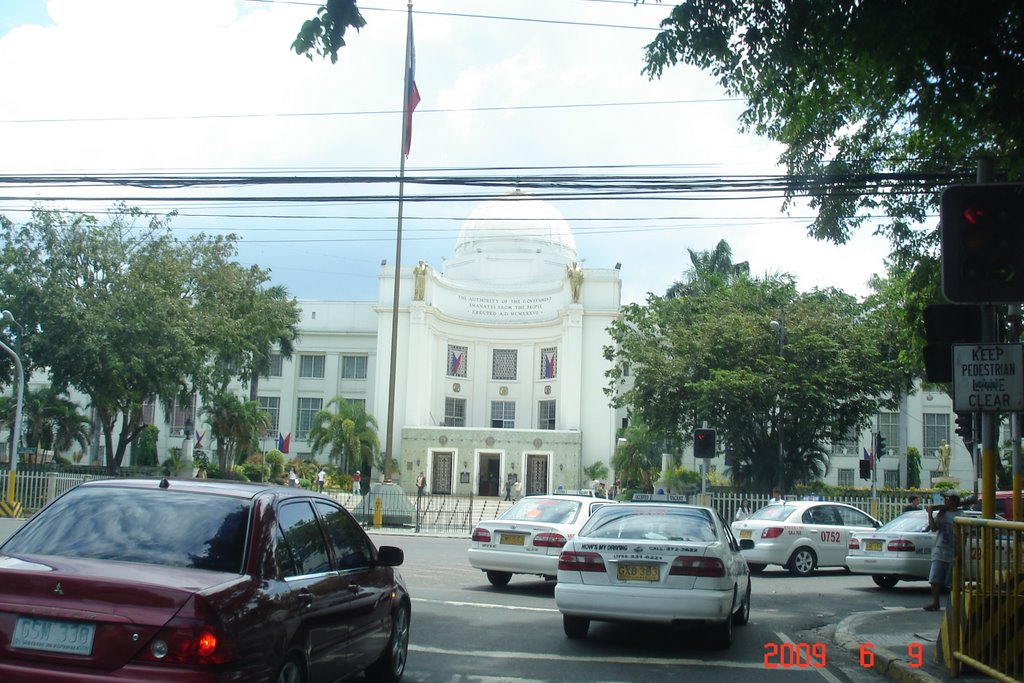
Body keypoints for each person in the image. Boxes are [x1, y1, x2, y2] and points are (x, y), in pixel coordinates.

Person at [924, 491, 961, 611]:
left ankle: (954, 604)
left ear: (954, 501)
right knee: (934, 579)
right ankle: (936, 602)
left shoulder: (961, 515)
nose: (945, 502)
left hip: (952, 550)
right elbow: (934, 528)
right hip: (940, 549)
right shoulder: (942, 514)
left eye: (948, 499)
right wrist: (930, 514)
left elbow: (963, 535)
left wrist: (959, 551)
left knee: (952, 581)